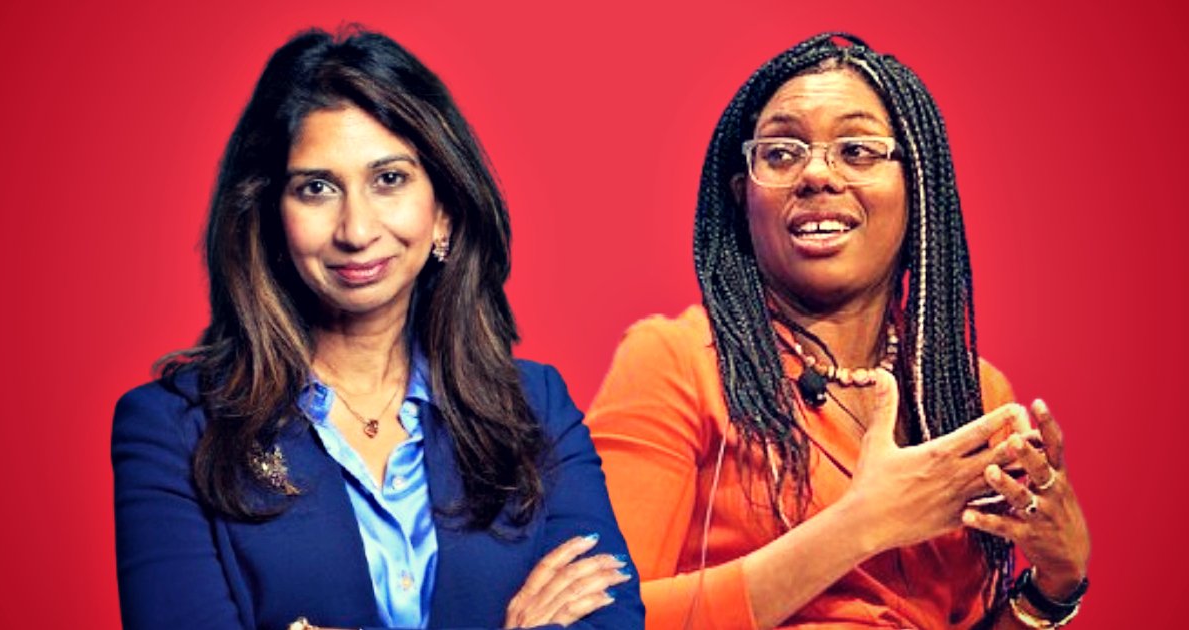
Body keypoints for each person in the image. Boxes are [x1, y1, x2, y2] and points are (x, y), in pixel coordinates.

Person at [112, 27, 641, 630]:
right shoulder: (173, 430)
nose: (356, 229)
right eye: (317, 189)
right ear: (270, 218)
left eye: (388, 179)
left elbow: (610, 616)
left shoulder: (535, 408)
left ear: (443, 208)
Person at [585, 33, 1089, 629]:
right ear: (743, 195)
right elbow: (594, 617)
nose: (817, 174)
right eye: (780, 152)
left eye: (857, 150)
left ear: (918, 187)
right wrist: (860, 525)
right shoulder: (678, 361)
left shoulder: (967, 395)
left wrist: (1055, 584)